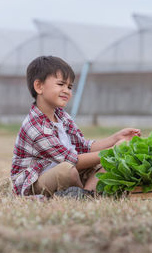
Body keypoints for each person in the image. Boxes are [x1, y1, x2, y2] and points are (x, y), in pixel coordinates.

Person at [10, 56, 141, 198]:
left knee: (110, 164)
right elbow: (72, 160)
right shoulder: (35, 125)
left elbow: (84, 147)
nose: (66, 90)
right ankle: (83, 194)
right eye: (60, 84)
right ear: (39, 86)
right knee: (67, 170)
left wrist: (116, 138)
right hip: (37, 182)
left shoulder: (62, 116)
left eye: (70, 87)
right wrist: (113, 151)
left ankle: (85, 195)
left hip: (72, 172)